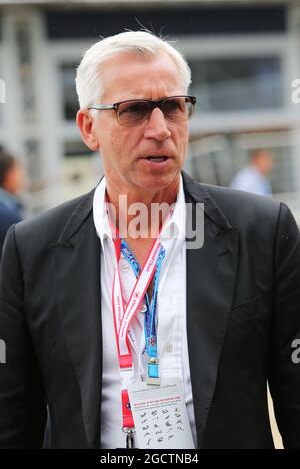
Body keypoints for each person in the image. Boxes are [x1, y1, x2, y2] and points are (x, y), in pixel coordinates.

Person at [0, 31, 300, 450]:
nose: (160, 129)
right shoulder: (32, 249)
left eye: (173, 107)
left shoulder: (263, 231)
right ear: (89, 127)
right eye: (135, 110)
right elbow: (13, 416)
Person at [0, 149, 25, 258]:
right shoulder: (6, 213)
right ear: (8, 174)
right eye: (18, 170)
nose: (23, 174)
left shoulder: (9, 205)